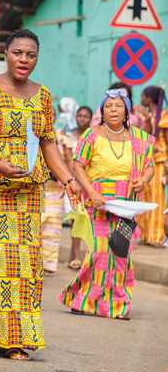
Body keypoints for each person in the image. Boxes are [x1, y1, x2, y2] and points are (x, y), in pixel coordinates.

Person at [0, 29, 81, 360]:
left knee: (24, 261)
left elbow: (47, 142)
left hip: (27, 188)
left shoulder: (43, 96)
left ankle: (6, 337)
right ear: (6, 54)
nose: (24, 60)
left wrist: (67, 179)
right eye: (17, 53)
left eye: (31, 55)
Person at [59, 88, 154, 320]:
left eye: (119, 106)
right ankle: (85, 300)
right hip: (99, 203)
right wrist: (91, 191)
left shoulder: (139, 138)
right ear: (102, 110)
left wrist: (143, 179)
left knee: (121, 253)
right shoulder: (92, 135)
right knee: (101, 252)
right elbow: (78, 166)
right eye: (109, 106)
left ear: (126, 111)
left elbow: (149, 166)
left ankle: (119, 303)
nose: (114, 110)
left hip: (127, 205)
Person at [60, 105, 92, 268]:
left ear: (91, 118)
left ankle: (87, 258)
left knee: (91, 222)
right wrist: (76, 181)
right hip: (73, 182)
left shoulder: (94, 137)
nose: (82, 119)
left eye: (85, 116)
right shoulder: (68, 137)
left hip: (91, 183)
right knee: (75, 219)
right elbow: (70, 162)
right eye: (79, 116)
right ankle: (75, 256)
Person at [136, 86, 167, 247]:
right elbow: (146, 137)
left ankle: (157, 236)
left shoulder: (164, 116)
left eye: (143, 96)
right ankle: (146, 235)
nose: (141, 99)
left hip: (161, 161)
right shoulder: (149, 116)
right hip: (147, 162)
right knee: (145, 198)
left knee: (157, 198)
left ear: (149, 98)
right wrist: (147, 116)